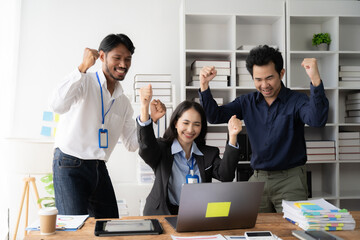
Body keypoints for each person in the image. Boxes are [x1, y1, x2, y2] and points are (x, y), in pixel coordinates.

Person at [198, 45, 329, 213]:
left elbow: (317, 120)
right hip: (258, 178)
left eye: (269, 78)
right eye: (258, 79)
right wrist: (204, 85)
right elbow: (215, 116)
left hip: (291, 179)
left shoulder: (297, 100)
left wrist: (315, 80)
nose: (264, 85)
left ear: (281, 74)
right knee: (252, 230)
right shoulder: (246, 102)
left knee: (292, 232)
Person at [51, 34, 155, 218]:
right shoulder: (84, 81)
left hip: (99, 167)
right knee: (75, 230)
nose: (123, 64)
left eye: (128, 59)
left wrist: (148, 115)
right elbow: (57, 105)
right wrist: (82, 67)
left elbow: (132, 143)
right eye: (117, 58)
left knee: (110, 226)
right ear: (101, 57)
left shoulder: (123, 101)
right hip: (70, 163)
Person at [137, 84, 243, 215]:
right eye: (185, 123)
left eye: (196, 124)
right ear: (176, 123)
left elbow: (226, 176)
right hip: (163, 214)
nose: (190, 130)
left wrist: (233, 136)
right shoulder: (162, 149)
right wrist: (144, 108)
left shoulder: (208, 153)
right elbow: (146, 147)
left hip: (197, 214)